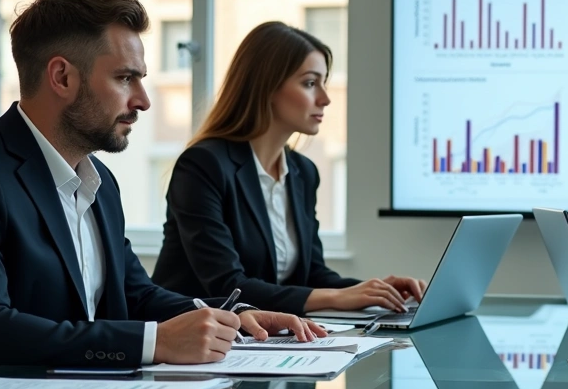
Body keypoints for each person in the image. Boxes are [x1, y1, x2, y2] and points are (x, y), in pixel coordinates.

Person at [0, 0, 324, 387]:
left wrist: (233, 314)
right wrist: (154, 343)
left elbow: (135, 294)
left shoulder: (101, 184)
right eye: (125, 78)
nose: (143, 100)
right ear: (62, 77)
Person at [153, 22, 425, 314]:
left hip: (261, 338)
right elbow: (228, 286)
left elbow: (312, 275)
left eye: (324, 82)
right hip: (190, 340)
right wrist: (336, 298)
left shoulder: (302, 172)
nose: (325, 98)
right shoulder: (203, 165)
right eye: (310, 83)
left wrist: (378, 292)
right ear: (267, 86)